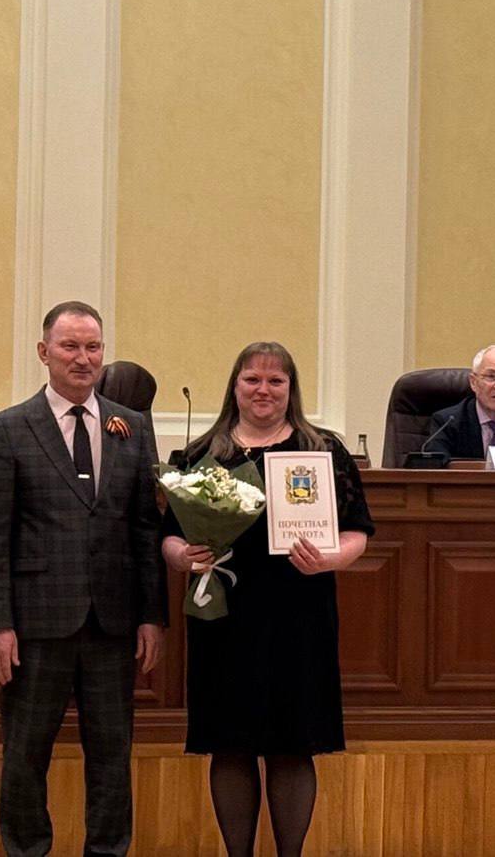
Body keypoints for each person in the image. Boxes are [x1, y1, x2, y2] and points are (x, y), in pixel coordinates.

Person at [161, 341, 373, 857]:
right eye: (252, 379)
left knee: (292, 744)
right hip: (225, 617)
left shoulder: (322, 450)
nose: (264, 390)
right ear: (234, 386)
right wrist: (183, 557)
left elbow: (358, 532)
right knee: (230, 743)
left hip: (299, 615)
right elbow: (166, 537)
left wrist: (330, 559)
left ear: (291, 390)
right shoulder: (198, 454)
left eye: (276, 381)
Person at [0, 300, 167, 857]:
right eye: (70, 346)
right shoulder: (10, 427)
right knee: (26, 755)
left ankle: (107, 850)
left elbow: (143, 528)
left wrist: (153, 615)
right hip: (35, 626)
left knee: (112, 755)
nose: (83, 359)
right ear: (44, 353)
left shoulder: (131, 426)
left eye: (93, 347)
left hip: (113, 623)